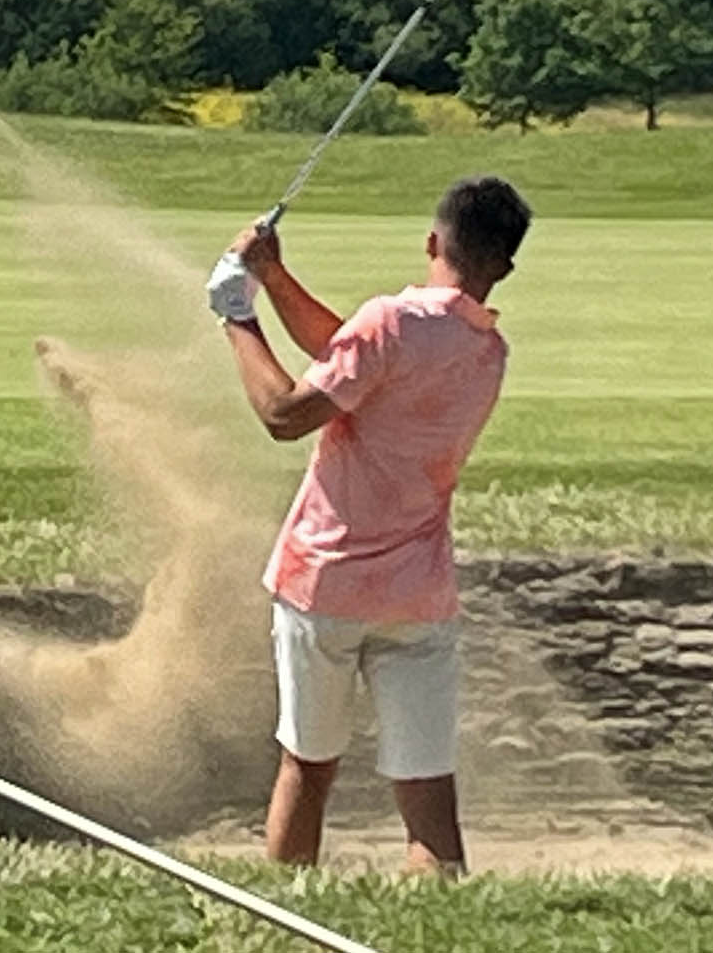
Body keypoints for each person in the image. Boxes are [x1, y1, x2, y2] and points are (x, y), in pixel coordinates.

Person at [204, 176, 533, 876]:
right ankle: (436, 933)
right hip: (418, 599)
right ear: (502, 265)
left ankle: (290, 919)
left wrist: (238, 312)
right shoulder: (486, 351)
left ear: (432, 242)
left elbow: (284, 415)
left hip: (323, 584)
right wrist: (273, 272)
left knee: (308, 767)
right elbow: (347, 353)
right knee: (427, 794)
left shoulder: (390, 324)